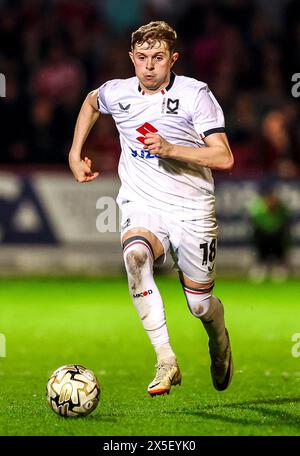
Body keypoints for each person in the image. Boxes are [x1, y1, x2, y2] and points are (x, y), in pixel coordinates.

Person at [69, 21, 234, 396]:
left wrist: (171, 148)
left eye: (157, 58)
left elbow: (224, 157)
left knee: (199, 305)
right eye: (141, 58)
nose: (148, 66)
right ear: (131, 58)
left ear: (173, 59)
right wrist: (75, 152)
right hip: (143, 202)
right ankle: (166, 359)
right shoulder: (120, 92)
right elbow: (92, 101)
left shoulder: (196, 95)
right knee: (136, 256)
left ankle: (219, 339)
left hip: (192, 208)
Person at [248, 184, 290, 282]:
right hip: (263, 237)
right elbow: (256, 222)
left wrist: (274, 229)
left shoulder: (280, 207)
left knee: (279, 243)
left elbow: (284, 222)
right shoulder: (258, 207)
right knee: (260, 241)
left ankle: (278, 270)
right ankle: (260, 269)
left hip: (276, 237)